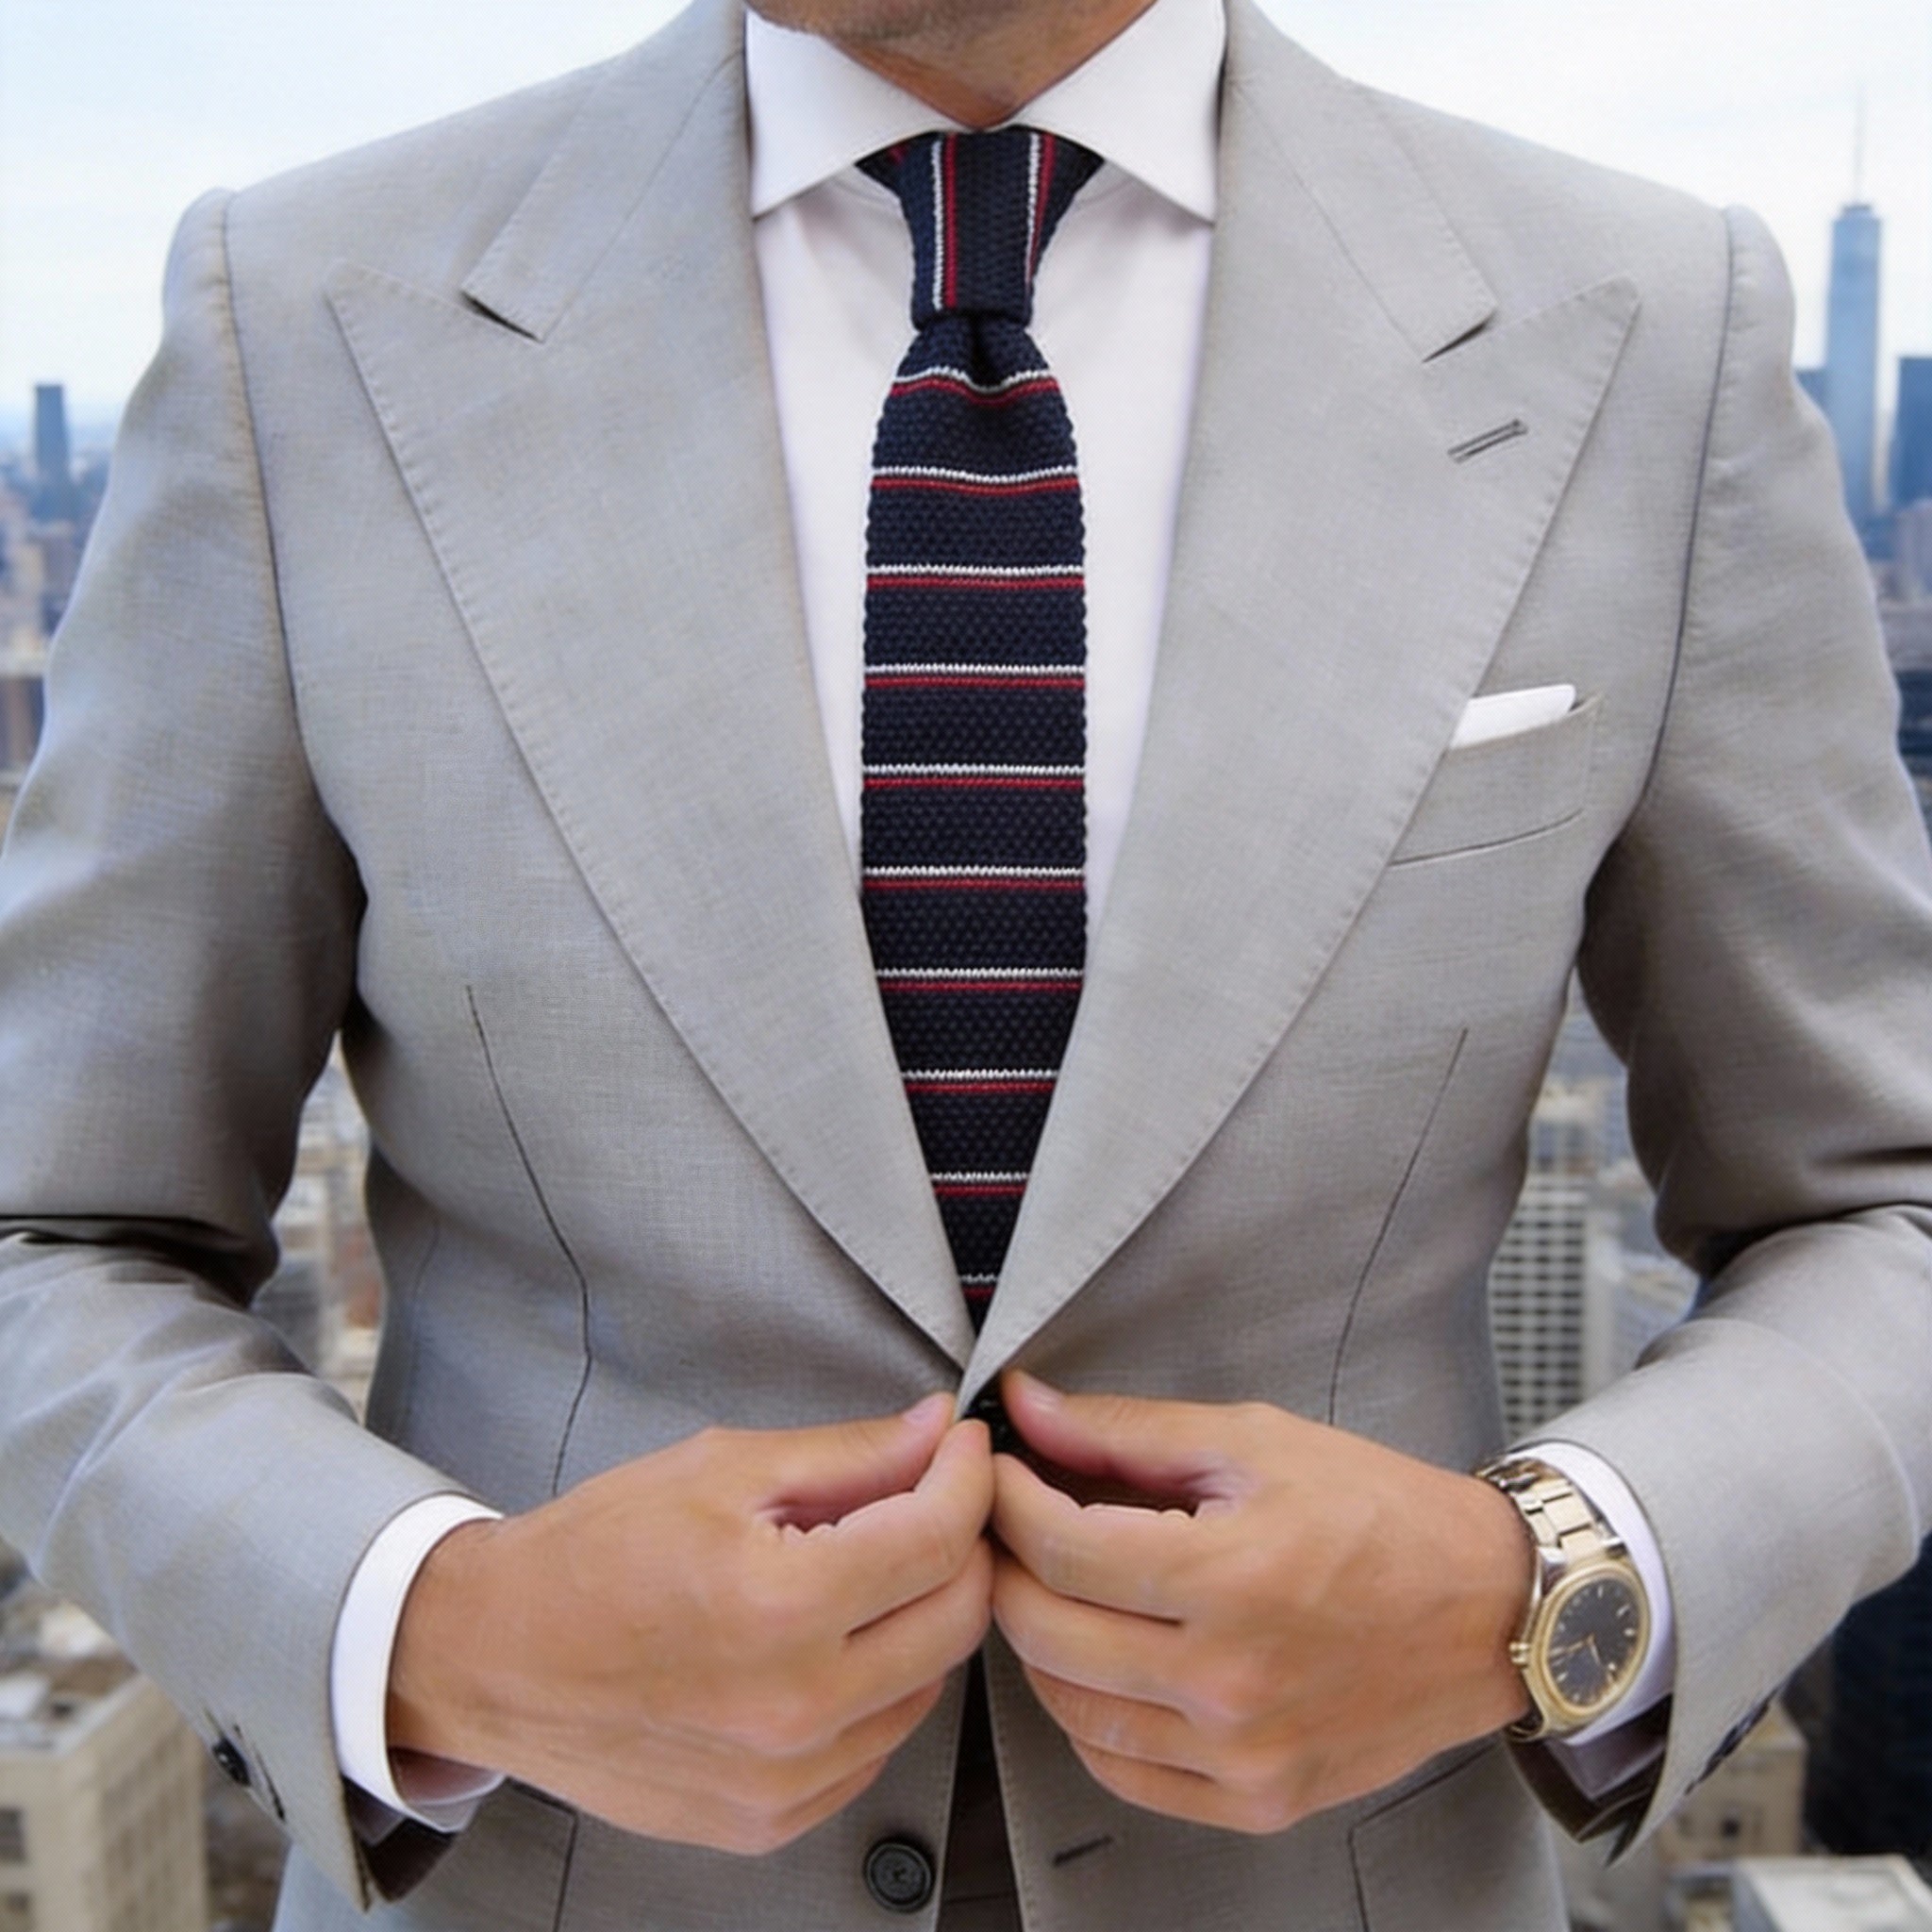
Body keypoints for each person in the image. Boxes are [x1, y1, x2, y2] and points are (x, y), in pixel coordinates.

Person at [1, 0, 1928, 1925]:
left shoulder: (1649, 328)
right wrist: (443, 1630)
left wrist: (1542, 1591)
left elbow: (1880, 1205)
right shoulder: (306, 318)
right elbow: (56, 1234)